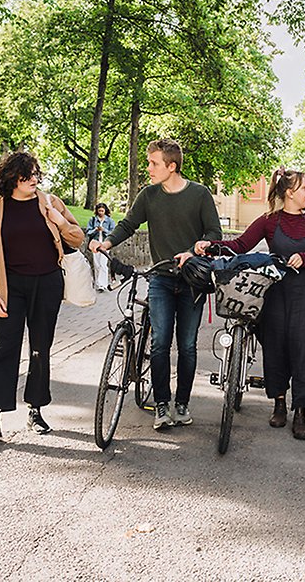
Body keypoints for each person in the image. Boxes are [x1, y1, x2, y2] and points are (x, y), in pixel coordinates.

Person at [90, 139, 221, 430]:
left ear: (171, 166)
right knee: (160, 343)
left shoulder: (199, 194)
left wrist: (196, 248)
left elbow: (215, 232)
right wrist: (105, 243)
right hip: (160, 279)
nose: (149, 168)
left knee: (186, 345)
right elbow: (128, 224)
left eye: (153, 163)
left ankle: (182, 403)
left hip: (192, 282)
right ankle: (161, 404)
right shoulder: (148, 196)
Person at [195, 168, 305, 440]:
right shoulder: (270, 220)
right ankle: (279, 402)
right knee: (276, 347)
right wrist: (210, 246)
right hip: (275, 294)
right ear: (290, 193)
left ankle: (301, 410)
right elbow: (241, 244)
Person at [0, 151, 84, 441]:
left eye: (37, 174)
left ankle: (35, 411)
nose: (35, 179)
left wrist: (58, 220)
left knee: (40, 348)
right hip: (10, 288)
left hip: (46, 285)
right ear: (12, 177)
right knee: (2, 348)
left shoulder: (50, 202)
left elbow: (77, 237)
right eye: (29, 174)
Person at [86, 203, 116, 291]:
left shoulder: (110, 221)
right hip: (95, 243)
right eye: (99, 211)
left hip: (105, 244)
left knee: (103, 264)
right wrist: (96, 229)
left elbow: (113, 233)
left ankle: (103, 284)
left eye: (102, 211)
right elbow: (88, 232)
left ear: (105, 211)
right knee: (97, 264)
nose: (101, 212)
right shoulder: (93, 220)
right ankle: (98, 284)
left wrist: (104, 230)